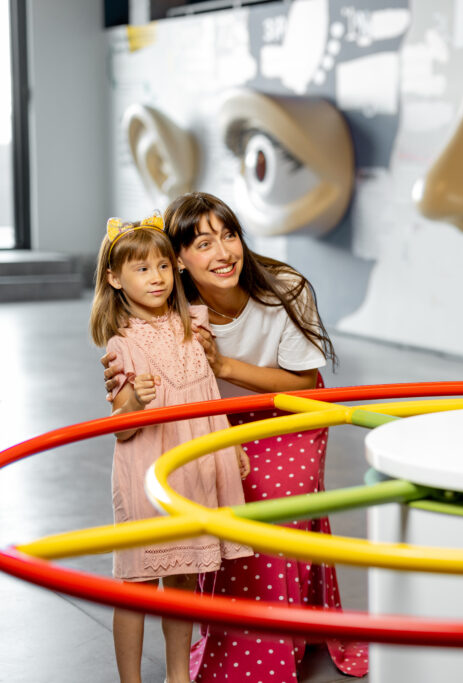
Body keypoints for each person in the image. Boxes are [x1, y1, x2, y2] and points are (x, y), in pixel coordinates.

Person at [102, 192, 368, 680]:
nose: (223, 253)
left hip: (288, 408)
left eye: (229, 236)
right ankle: (234, 641)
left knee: (270, 501)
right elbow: (129, 362)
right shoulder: (173, 307)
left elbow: (304, 384)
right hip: (211, 420)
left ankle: (274, 642)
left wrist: (221, 363)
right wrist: (125, 387)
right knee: (218, 507)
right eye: (202, 243)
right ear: (177, 260)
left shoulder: (284, 288)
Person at [89, 214, 253, 683]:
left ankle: (179, 676)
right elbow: (121, 430)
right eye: (141, 269)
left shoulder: (193, 326)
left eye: (163, 265)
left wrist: (227, 441)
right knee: (137, 585)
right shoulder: (121, 346)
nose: (156, 277)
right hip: (147, 473)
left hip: (197, 467)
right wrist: (134, 401)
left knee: (182, 580)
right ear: (115, 278)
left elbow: (208, 394)